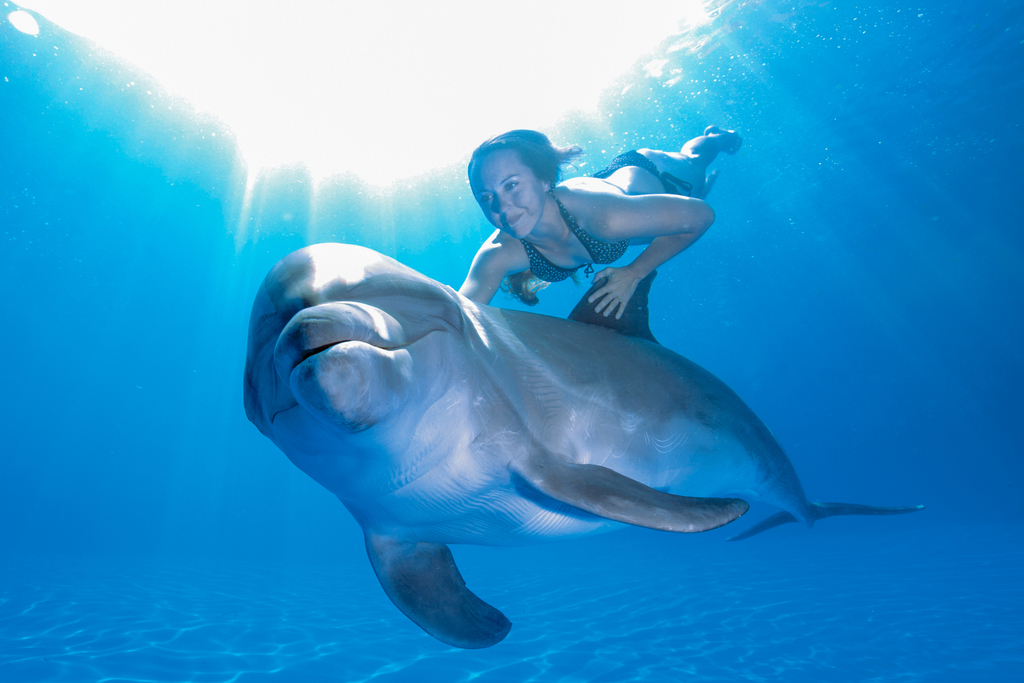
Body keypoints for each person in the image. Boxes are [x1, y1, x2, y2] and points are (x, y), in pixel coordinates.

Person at [458, 127, 742, 319]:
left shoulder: (607, 220)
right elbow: (459, 314)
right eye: (486, 197)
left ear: (544, 180)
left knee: (695, 162)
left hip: (657, 175)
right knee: (688, 201)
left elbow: (702, 216)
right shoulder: (499, 252)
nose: (501, 207)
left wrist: (634, 272)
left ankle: (715, 138)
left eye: (511, 185)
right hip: (610, 197)